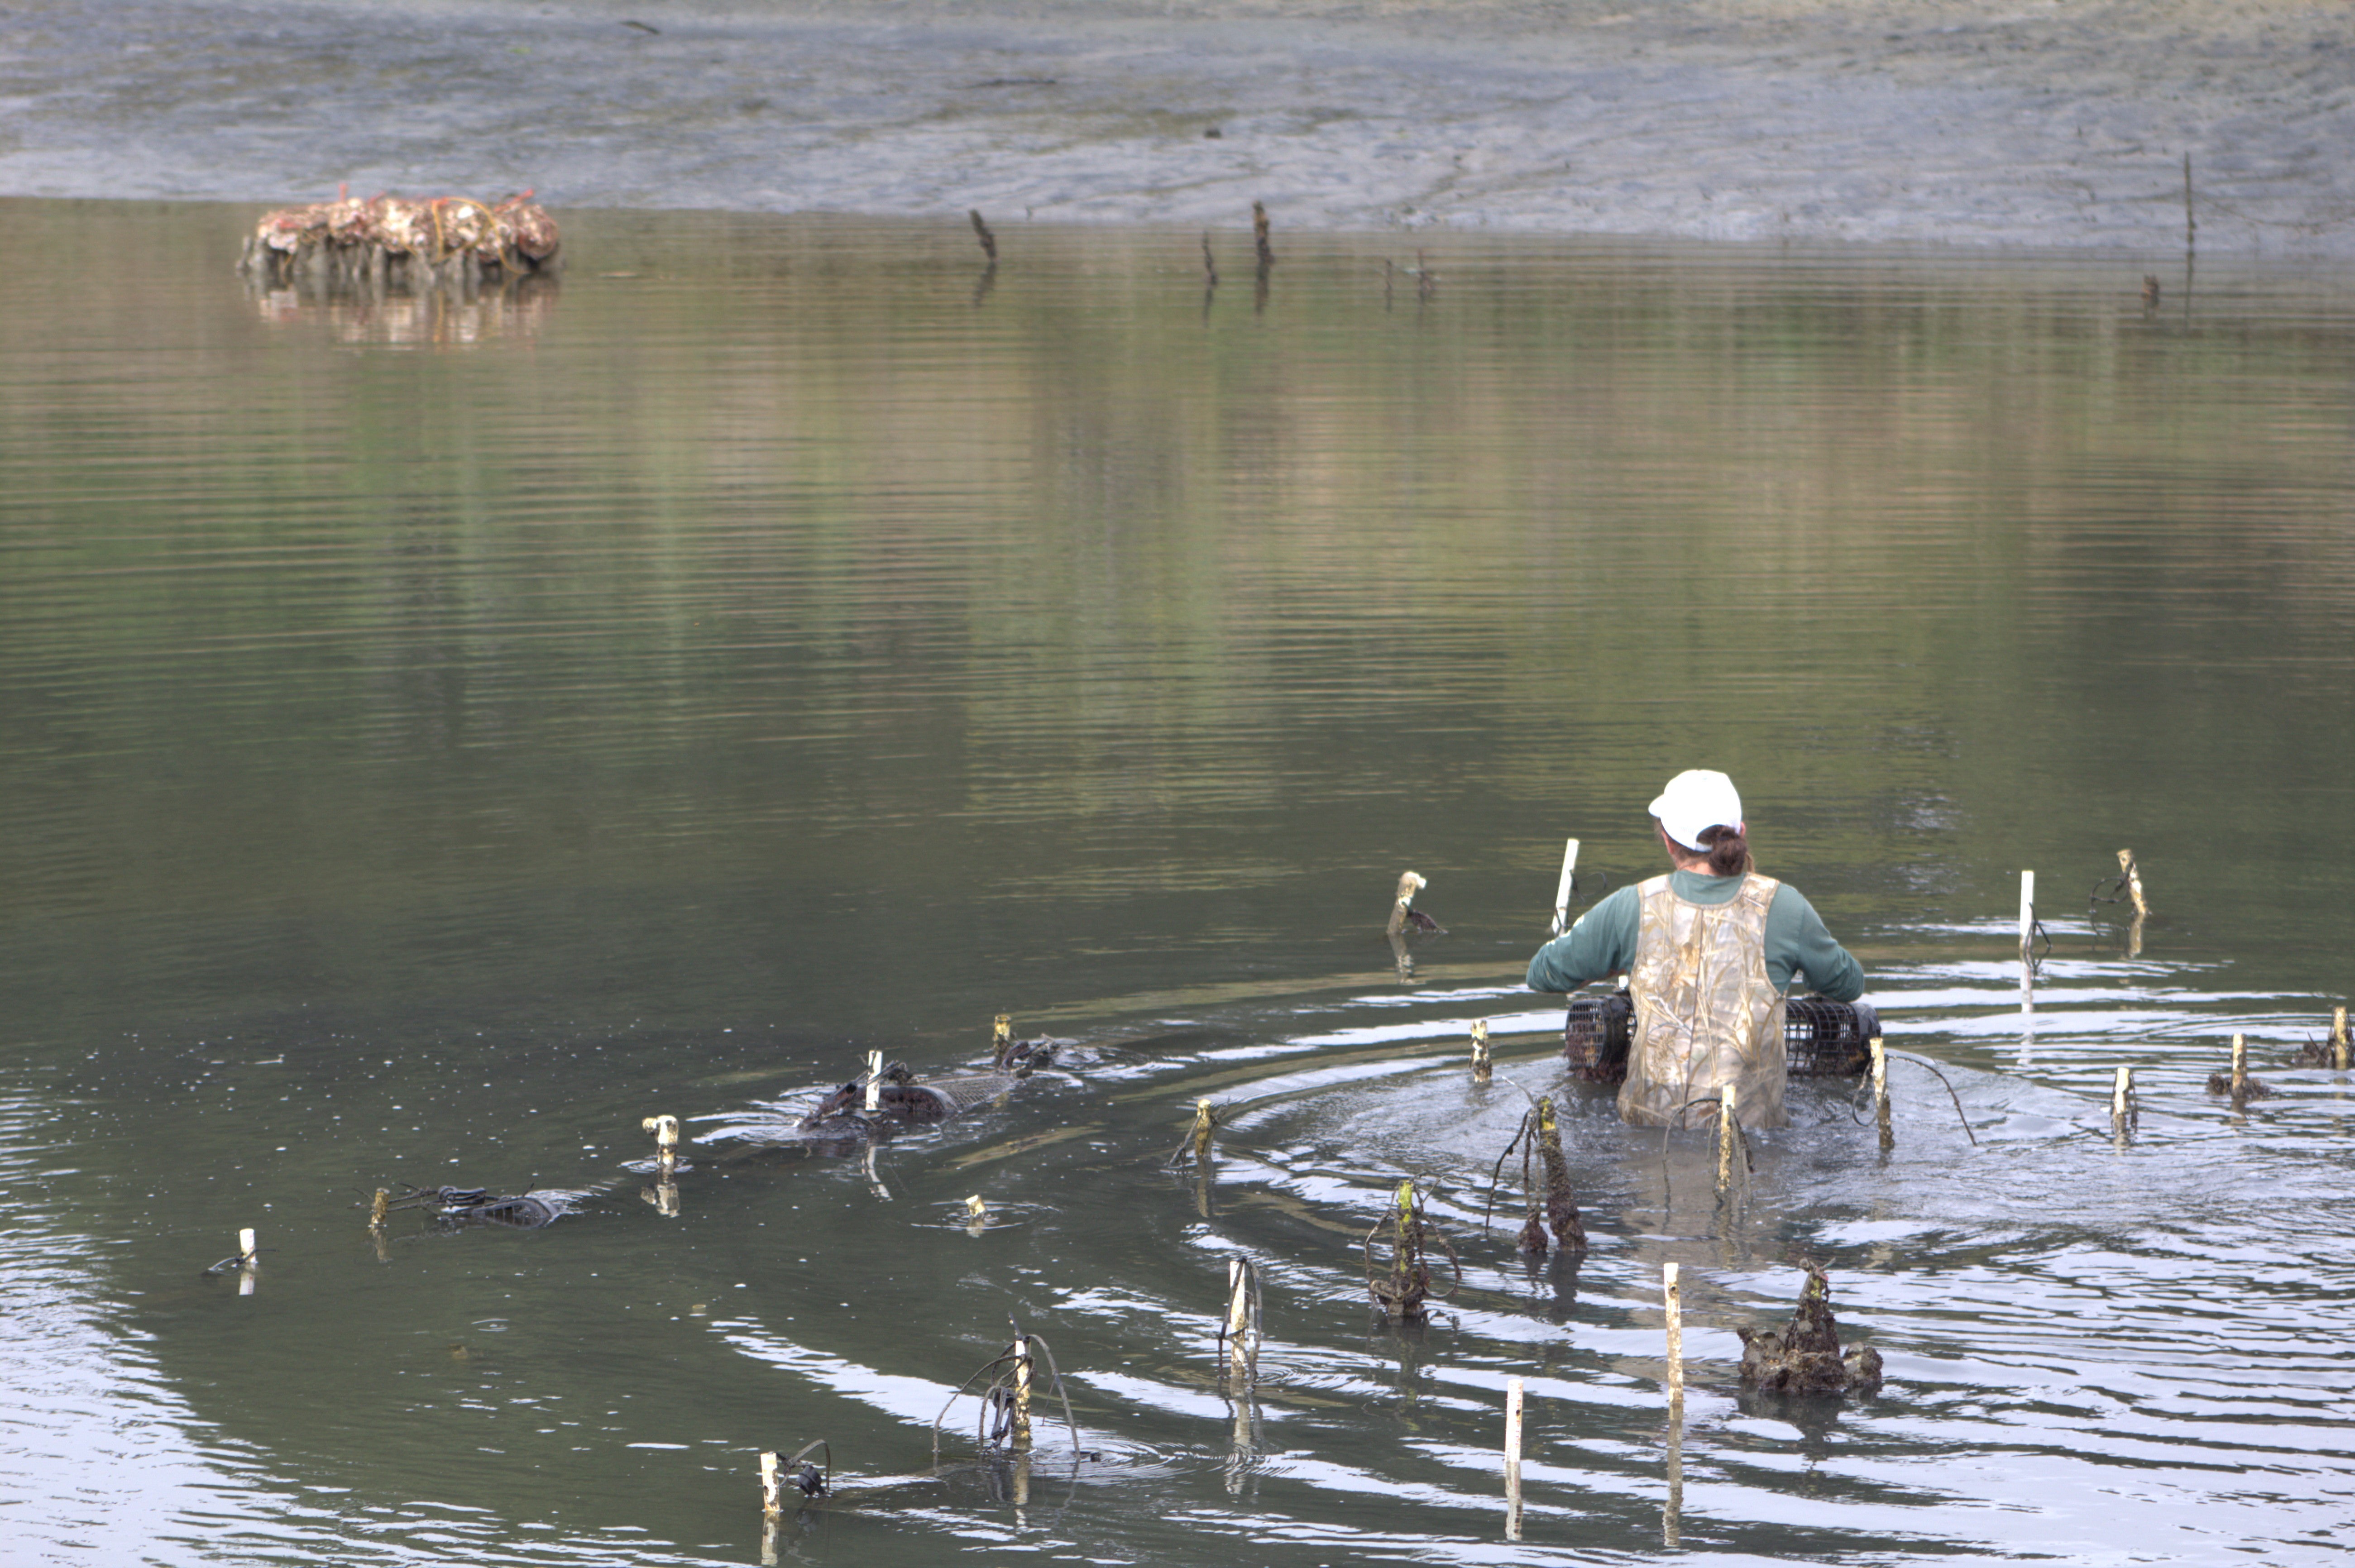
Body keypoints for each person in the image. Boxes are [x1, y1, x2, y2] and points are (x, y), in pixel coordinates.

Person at [1526, 769, 1863, 1129]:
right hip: (1753, 1143)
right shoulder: (1786, 907)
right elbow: (1848, 984)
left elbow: (1543, 973)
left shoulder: (1631, 906)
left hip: (1646, 1140)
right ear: (1742, 834)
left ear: (1669, 842)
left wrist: (1615, 965)